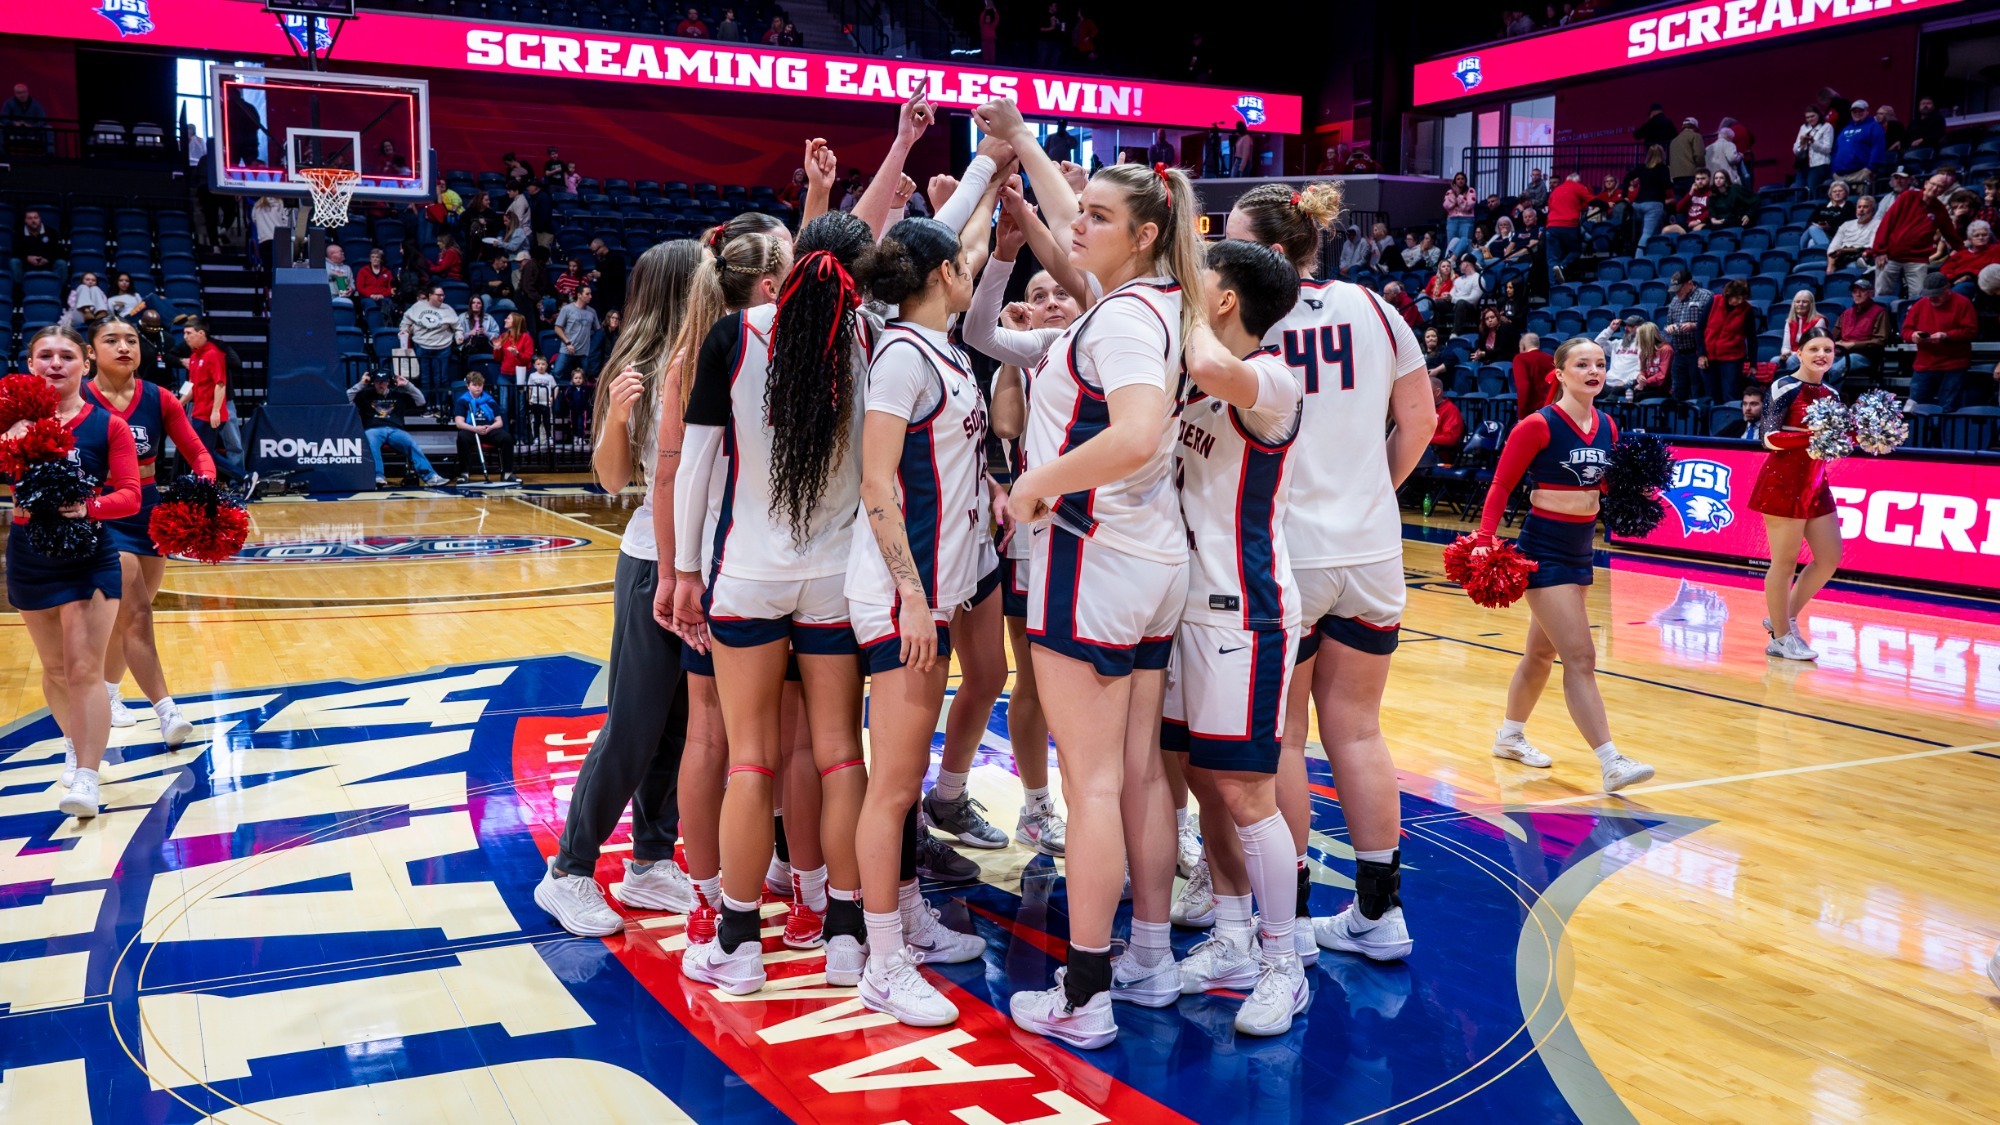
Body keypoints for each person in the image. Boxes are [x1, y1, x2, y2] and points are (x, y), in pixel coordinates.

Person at [973, 95, 1204, 1048]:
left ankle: (1087, 990)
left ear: (1144, 233)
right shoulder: (1150, 301)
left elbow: (1141, 431)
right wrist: (1024, 139)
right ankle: (1147, 956)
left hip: (1091, 555)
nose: (1079, 222)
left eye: (1100, 218)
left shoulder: (1115, 323)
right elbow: (1085, 208)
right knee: (1142, 773)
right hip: (1152, 559)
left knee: (1096, 784)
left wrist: (1034, 485)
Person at [1222, 181, 1434, 990]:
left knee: (1284, 741)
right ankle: (1382, 913)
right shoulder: (1380, 310)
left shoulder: (1250, 313)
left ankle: (1298, 916)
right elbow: (1419, 421)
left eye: (1234, 241)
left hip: (1290, 548)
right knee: (1360, 730)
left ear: (1273, 254)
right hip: (1372, 550)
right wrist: (1374, 491)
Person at [672, 209, 879, 998]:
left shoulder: (736, 334)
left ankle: (738, 942)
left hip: (748, 574)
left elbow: (696, 469)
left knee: (750, 758)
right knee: (839, 757)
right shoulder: (868, 338)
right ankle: (846, 935)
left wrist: (685, 569)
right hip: (836, 578)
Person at [1154, 239, 1315, 1034]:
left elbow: (1217, 371)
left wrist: (1160, 285)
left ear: (1224, 301)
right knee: (1203, 784)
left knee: (1248, 793)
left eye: (1200, 276)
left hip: (1242, 611)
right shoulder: (1191, 370)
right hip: (1180, 606)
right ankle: (1229, 937)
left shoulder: (1274, 381)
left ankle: (1285, 962)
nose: (1186, 284)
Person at [838, 217, 990, 1026]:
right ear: (938, 274)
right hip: (905, 599)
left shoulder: (942, 347)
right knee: (895, 785)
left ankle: (910, 920)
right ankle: (883, 958)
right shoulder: (901, 355)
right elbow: (876, 484)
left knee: (904, 779)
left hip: (935, 589)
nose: (970, 273)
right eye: (963, 263)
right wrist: (914, 595)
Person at [532, 240, 705, 938]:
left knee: (679, 725)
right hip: (649, 562)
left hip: (697, 563)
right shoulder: (635, 366)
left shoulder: (704, 353)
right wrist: (613, 419)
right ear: (679, 286)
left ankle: (650, 857)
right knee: (632, 726)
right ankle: (569, 870)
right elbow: (610, 480)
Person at [1476, 337, 1656, 793]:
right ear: (1559, 373)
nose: (1593, 371)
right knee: (1581, 656)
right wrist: (1483, 539)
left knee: (1540, 653)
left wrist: (1640, 492)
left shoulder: (1608, 426)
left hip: (1581, 548)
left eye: (1600, 364)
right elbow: (1500, 485)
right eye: (1582, 364)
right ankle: (1610, 760)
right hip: (1544, 550)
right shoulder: (1537, 426)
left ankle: (1510, 737)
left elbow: (1604, 487)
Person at [7, 325, 142, 820]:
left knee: (85, 667)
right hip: (28, 551)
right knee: (57, 670)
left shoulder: (107, 426)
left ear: (85, 365)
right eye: (45, 355)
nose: (55, 364)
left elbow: (131, 494)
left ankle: (87, 775)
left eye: (67, 355)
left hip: (88, 553)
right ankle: (74, 742)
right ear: (29, 364)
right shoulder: (8, 421)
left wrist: (90, 507)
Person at [82, 316, 212, 746]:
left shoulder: (157, 398)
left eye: (132, 340)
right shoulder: (79, 397)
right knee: (137, 610)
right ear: (90, 353)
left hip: (149, 513)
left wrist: (205, 486)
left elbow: (196, 450)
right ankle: (166, 710)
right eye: (111, 340)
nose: (124, 347)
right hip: (102, 513)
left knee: (131, 615)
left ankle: (108, 693)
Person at [1752, 331, 1843, 662]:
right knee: (1785, 561)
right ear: (1799, 353)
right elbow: (1770, 438)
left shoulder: (1832, 392)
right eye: (1814, 349)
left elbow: (1835, 442)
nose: (1821, 354)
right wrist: (1811, 437)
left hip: (1816, 483)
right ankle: (1781, 637)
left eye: (1828, 350)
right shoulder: (1784, 386)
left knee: (1830, 557)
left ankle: (1781, 616)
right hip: (1783, 482)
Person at [350, 370, 447, 488]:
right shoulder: (365, 395)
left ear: (389, 382)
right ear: (373, 382)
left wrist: (408, 385)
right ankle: (377, 476)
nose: (381, 384)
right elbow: (346, 399)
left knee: (411, 443)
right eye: (377, 382)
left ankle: (430, 477)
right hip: (373, 429)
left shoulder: (398, 395)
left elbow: (421, 401)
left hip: (395, 429)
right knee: (371, 442)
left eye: (383, 382)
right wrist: (361, 384)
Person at [180, 317, 247, 486]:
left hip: (211, 413)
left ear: (201, 333)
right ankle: (206, 481)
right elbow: (192, 386)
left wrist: (216, 411)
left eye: (189, 333)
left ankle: (241, 477)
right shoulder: (194, 356)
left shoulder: (214, 354)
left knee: (205, 451)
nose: (185, 337)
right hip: (198, 412)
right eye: (184, 333)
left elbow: (220, 384)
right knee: (200, 451)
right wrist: (177, 404)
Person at [1873, 172, 1962, 300]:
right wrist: (1879, 251)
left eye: (1940, 187)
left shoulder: (1940, 209)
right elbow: (1887, 222)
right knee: (1882, 294)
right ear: (1926, 184)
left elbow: (1950, 234)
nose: (1935, 188)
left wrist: (1964, 251)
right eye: (1933, 184)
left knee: (1920, 296)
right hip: (1891, 254)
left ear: (1943, 191)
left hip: (1917, 258)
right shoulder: (1907, 196)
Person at [1902, 272, 1977, 412]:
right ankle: (1919, 434)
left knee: (1948, 408)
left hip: (1953, 365)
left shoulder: (1962, 303)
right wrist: (1913, 336)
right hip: (1924, 365)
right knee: (1916, 408)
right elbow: (1906, 330)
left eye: (1936, 294)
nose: (1932, 298)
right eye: (1929, 294)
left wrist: (1947, 336)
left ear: (1947, 289)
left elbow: (1971, 331)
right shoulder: (1920, 304)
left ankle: (1946, 434)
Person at [399, 285, 466, 398]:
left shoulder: (448, 309)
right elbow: (405, 322)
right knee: (425, 377)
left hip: (443, 347)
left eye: (443, 295)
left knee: (441, 378)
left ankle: (441, 406)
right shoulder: (417, 307)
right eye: (439, 295)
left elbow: (458, 328)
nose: (442, 298)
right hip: (422, 345)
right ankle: (427, 406)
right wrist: (404, 331)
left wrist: (459, 336)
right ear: (430, 295)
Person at [451, 371, 516, 482]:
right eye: (474, 385)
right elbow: (459, 423)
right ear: (468, 386)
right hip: (472, 430)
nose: (478, 388)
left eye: (480, 385)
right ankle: (464, 473)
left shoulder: (490, 400)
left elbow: (499, 422)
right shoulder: (463, 401)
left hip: (488, 430)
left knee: (507, 438)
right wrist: (475, 429)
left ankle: (507, 473)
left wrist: (490, 428)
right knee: (462, 437)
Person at [1701, 279, 1754, 401]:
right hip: (1709, 358)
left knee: (1730, 394)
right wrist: (1702, 354)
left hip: (1732, 359)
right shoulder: (1714, 301)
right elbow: (1700, 329)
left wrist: (1752, 363)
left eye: (1743, 298)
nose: (1740, 301)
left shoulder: (1747, 310)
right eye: (1737, 298)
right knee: (1711, 396)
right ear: (1729, 294)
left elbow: (1752, 338)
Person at [1664, 269, 1711, 400]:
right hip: (1679, 352)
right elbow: (1667, 324)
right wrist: (1669, 328)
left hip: (1697, 352)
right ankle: (1680, 419)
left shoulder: (1705, 297)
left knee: (1697, 390)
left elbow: (1712, 324)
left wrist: (1694, 326)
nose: (1677, 292)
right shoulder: (1674, 301)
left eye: (1679, 289)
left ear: (1689, 284)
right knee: (1678, 390)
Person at [1544, 172, 1591, 285]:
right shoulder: (1577, 187)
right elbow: (1590, 201)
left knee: (1551, 259)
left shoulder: (1555, 191)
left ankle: (1553, 287)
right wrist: (1606, 205)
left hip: (1551, 226)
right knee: (1576, 250)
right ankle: (1562, 265)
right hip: (1568, 225)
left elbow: (1550, 207)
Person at [1831, 99, 1886, 194]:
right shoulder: (1845, 129)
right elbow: (1836, 150)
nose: (1857, 113)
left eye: (1860, 110)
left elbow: (1877, 149)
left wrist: (1869, 168)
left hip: (1861, 173)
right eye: (1854, 111)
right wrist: (1834, 170)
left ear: (1867, 111)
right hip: (1840, 176)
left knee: (1862, 205)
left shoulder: (1874, 127)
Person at [1628, 146, 1672, 250]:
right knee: (1647, 234)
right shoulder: (1662, 168)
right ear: (1662, 155)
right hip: (1653, 203)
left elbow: (1627, 178)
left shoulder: (1641, 167)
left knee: (1646, 232)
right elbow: (1667, 185)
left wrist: (1625, 194)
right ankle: (1638, 260)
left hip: (1637, 204)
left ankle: (1652, 256)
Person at [552, 287, 601, 379]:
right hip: (568, 348)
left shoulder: (592, 312)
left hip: (584, 351)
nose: (590, 296)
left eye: (590, 294)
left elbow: (598, 330)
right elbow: (557, 327)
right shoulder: (567, 309)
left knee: (586, 377)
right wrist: (567, 342)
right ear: (579, 295)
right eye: (587, 294)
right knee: (557, 372)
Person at [1940, 221, 2000, 293]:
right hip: (1952, 281)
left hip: (1977, 283)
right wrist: (1954, 278)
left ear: (1989, 236)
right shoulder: (1961, 254)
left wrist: (1970, 276)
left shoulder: (1995, 250)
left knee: (1961, 288)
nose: (1981, 238)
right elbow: (1945, 269)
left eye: (1984, 235)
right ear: (1970, 239)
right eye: (1976, 235)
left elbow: (1994, 271)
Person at [1777, 289, 1827, 374]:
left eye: (1804, 302)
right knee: (1775, 361)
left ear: (1811, 305)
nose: (1800, 304)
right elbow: (1786, 346)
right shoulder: (1789, 322)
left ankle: (1794, 385)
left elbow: (1812, 348)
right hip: (1793, 354)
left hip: (1811, 355)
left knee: (1792, 360)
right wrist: (1785, 353)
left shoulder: (1819, 321)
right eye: (1797, 302)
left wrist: (1792, 354)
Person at [1594, 314, 1644, 398]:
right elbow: (1595, 345)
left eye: (1630, 326)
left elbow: (1640, 369)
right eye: (1626, 325)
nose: (1626, 328)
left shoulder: (1643, 346)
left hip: (1625, 386)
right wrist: (1610, 330)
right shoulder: (1617, 343)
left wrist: (1625, 382)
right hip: (1608, 383)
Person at [1826, 194, 1880, 271]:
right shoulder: (1846, 224)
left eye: (1865, 207)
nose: (1861, 210)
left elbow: (1871, 246)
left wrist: (1844, 250)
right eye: (1859, 207)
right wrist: (1831, 265)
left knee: (1852, 267)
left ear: (1873, 210)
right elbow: (1833, 246)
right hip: (1840, 258)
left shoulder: (1878, 224)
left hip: (1862, 257)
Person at [1803, 180, 1855, 251]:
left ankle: (1824, 252)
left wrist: (1829, 225)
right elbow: (1811, 220)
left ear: (1846, 193)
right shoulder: (1821, 207)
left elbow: (1842, 219)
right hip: (1819, 233)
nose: (1837, 193)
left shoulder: (1849, 206)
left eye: (1840, 191)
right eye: (1834, 191)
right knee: (1812, 236)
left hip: (1835, 237)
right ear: (1830, 194)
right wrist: (1820, 226)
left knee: (1812, 235)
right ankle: (1827, 253)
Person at [1513, 333, 1556, 415]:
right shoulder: (1551, 359)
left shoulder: (1520, 359)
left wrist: (1521, 414)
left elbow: (1523, 387)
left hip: (1531, 410)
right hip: (1550, 408)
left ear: (1523, 346)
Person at [1795, 107, 1834, 192]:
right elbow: (1796, 151)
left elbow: (1827, 149)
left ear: (1819, 115)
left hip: (1819, 164)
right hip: (1803, 164)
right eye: (1807, 117)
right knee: (1798, 190)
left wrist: (1813, 142)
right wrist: (1802, 143)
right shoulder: (1804, 127)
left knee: (1812, 190)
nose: (1810, 119)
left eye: (1812, 116)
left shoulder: (1827, 126)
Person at [1446, 256, 1485, 334]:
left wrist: (1454, 299)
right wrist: (1448, 297)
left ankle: (1455, 332)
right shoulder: (1458, 280)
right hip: (1456, 304)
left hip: (1471, 309)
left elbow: (1473, 300)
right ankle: (1433, 331)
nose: (1459, 266)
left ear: (1466, 264)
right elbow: (1451, 294)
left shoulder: (1478, 279)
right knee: (1437, 302)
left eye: (1461, 264)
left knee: (1461, 303)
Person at [1431, 375, 1465, 460]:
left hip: (1438, 454)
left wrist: (1425, 440)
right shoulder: (1422, 408)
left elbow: (1451, 438)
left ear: (1437, 392)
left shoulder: (1450, 410)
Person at [1443, 172, 1477, 255]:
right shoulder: (1449, 192)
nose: (1460, 180)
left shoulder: (1471, 191)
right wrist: (1458, 200)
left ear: (1465, 180)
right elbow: (1446, 205)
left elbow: (1468, 206)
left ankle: (1464, 261)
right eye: (1458, 179)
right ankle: (1450, 261)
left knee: (1465, 242)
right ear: (1455, 181)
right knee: (1451, 243)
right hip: (1452, 220)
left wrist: (1458, 195)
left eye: (1462, 179)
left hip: (1466, 220)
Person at [1669, 118, 1704, 196]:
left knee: (1680, 204)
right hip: (1691, 175)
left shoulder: (1673, 141)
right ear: (1695, 127)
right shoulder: (1696, 136)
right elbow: (1699, 155)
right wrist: (1702, 170)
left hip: (1676, 177)